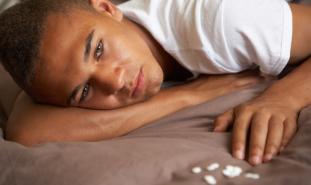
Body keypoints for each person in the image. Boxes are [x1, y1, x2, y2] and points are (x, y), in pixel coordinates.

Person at [0, 0, 310, 166]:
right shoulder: (65, 66)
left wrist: (284, 98)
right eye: (84, 90)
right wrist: (188, 96)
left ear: (108, 9)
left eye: (97, 50)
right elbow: (27, 131)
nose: (114, 81)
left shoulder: (223, 27)